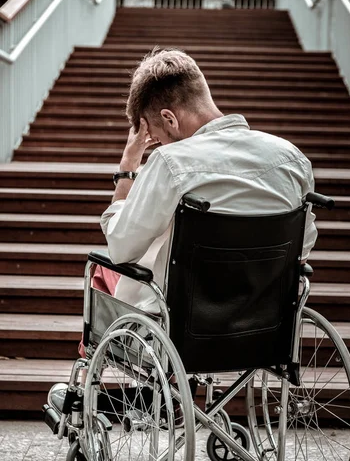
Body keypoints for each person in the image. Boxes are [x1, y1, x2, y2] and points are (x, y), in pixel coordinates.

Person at [48, 47, 317, 414]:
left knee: (102, 269)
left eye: (156, 136)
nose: (157, 145)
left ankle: (89, 397)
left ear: (169, 119)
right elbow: (305, 242)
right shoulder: (291, 158)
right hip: (264, 329)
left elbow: (122, 246)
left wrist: (129, 168)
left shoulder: (172, 163)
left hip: (180, 333)